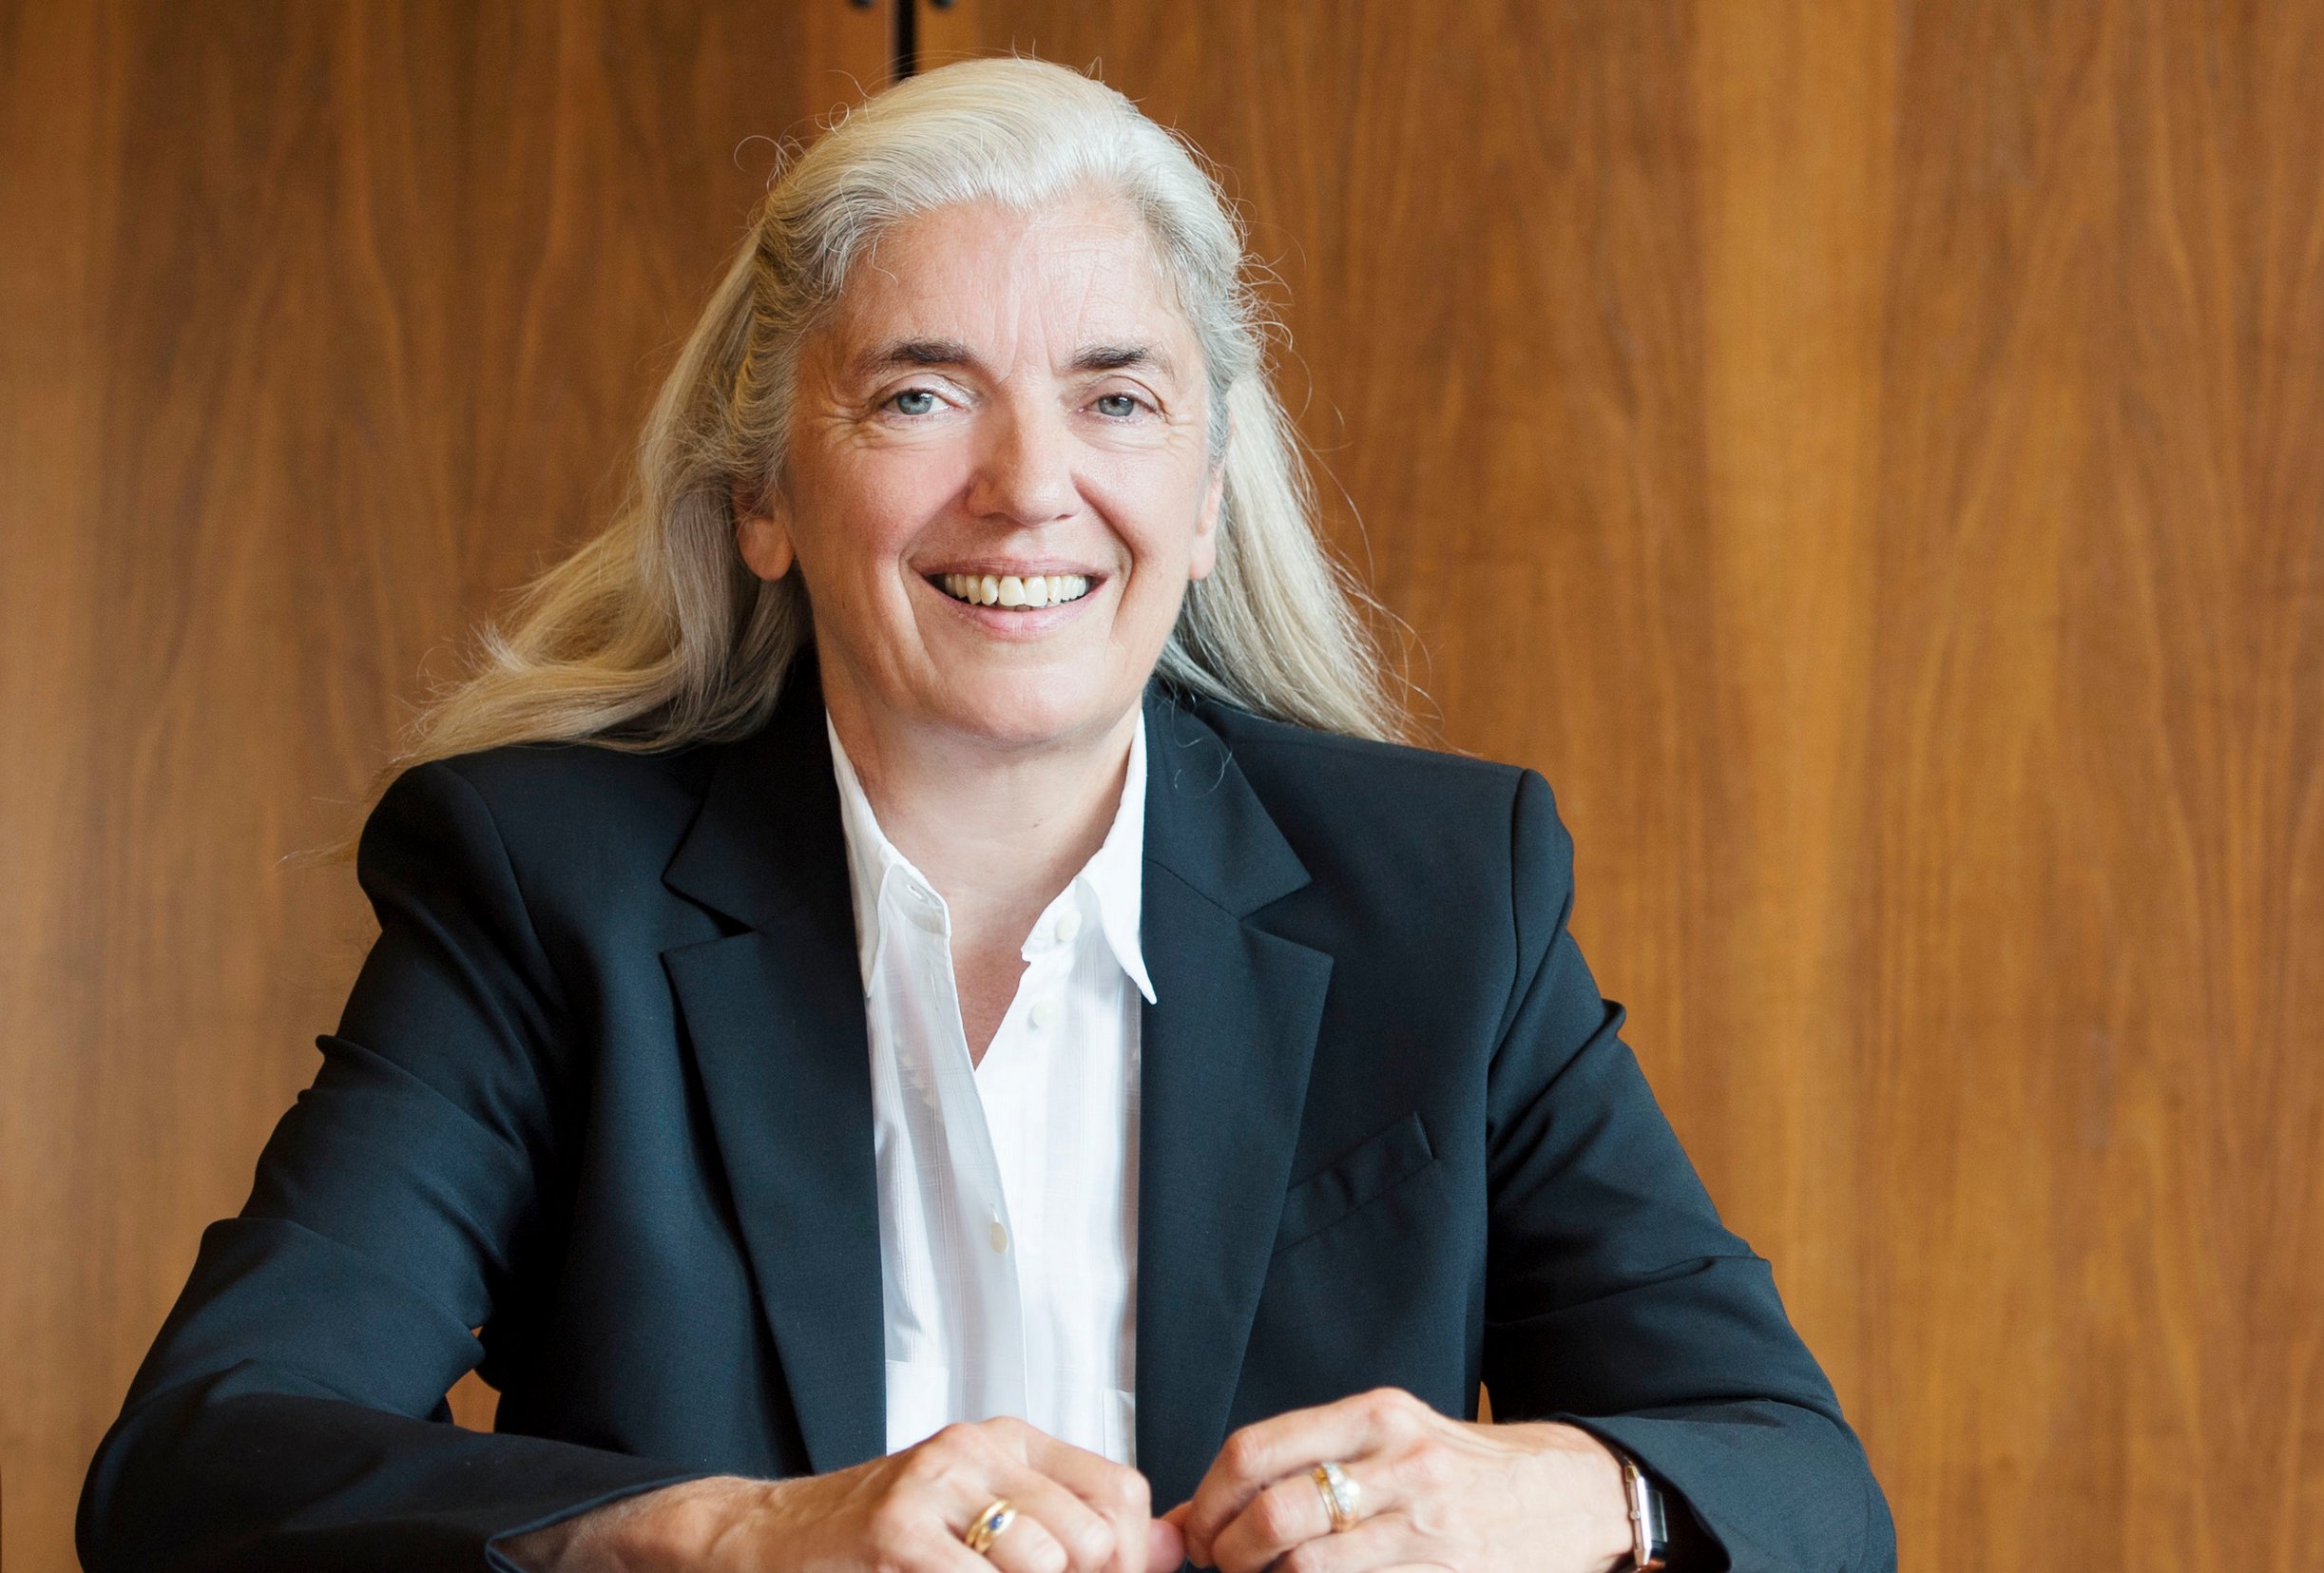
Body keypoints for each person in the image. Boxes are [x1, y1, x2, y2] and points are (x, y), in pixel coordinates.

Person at [78, 57, 1892, 1573]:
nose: (1031, 487)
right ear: (763, 495)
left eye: (1118, 396)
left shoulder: (1443, 896)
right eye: (922, 394)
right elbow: (203, 1461)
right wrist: (727, 1536)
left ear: (1205, 488)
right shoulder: (549, 891)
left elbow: (1799, 1481)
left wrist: (1558, 1497)